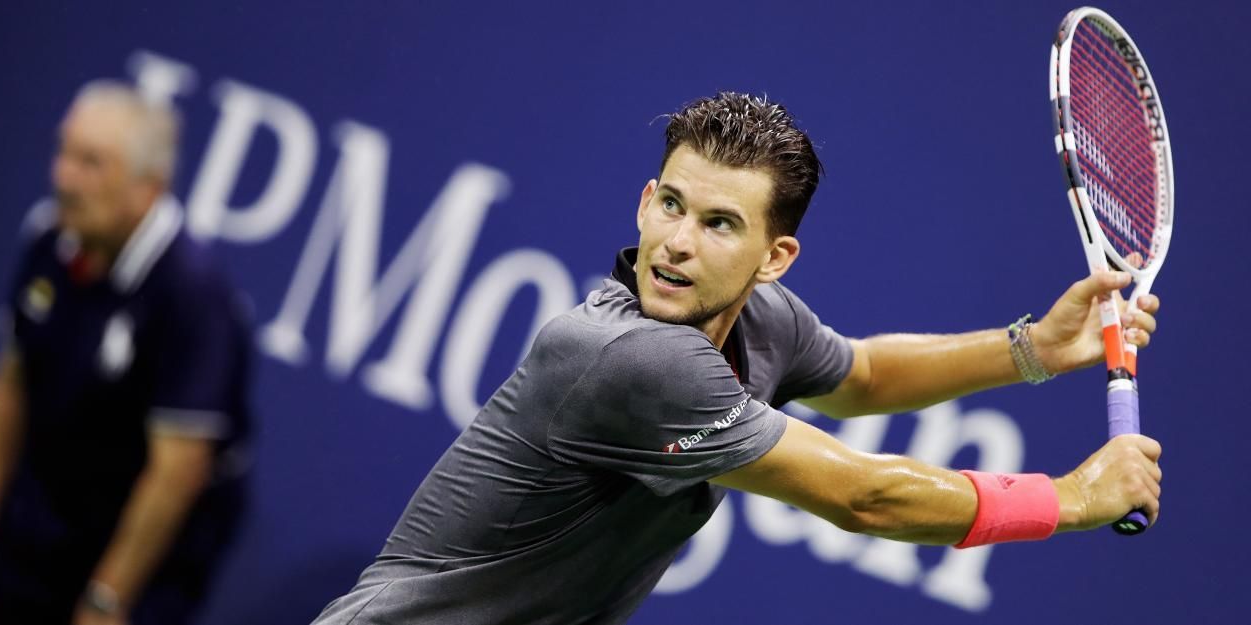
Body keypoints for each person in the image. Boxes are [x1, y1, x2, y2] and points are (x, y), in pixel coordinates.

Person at [311, 92, 1162, 625]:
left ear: (774, 257)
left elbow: (864, 376)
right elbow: (865, 496)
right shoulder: (630, 358)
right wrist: (1072, 497)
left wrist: (1031, 349)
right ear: (645, 201)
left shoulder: (761, 320)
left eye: (718, 223)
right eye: (671, 205)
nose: (676, 243)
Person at [0, 81, 253, 625]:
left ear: (148, 189)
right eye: (63, 153)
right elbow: (12, 380)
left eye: (91, 163)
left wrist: (107, 598)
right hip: (43, 516)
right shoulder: (49, 236)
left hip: (142, 557)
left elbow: (177, 470)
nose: (64, 177)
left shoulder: (194, 297)